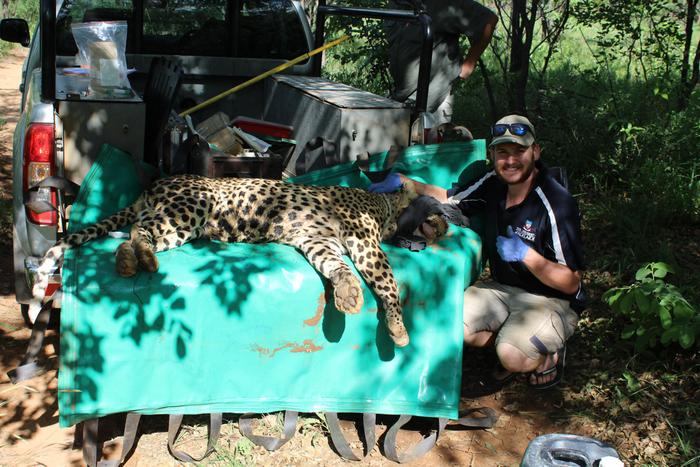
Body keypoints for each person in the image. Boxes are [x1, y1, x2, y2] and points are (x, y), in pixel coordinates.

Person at [369, 114, 586, 389]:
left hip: (551, 299)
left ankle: (547, 353)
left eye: (519, 151)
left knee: (512, 356)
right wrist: (404, 182)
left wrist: (527, 256)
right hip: (503, 287)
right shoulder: (495, 182)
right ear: (492, 154)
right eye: (502, 152)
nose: (510, 160)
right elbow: (450, 198)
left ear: (535, 151)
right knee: (446, 322)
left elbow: (571, 283)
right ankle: (514, 336)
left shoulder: (556, 202)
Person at [386, 0, 498, 125]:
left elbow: (488, 20)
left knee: (426, 143)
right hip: (401, 94)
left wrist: (469, 65)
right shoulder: (396, 4)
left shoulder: (442, 3)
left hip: (433, 97)